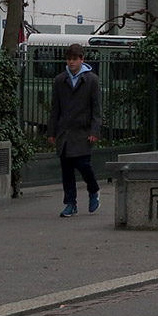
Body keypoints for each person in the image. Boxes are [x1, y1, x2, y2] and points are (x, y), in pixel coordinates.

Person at [47, 43, 102, 217]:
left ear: (81, 60)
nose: (71, 62)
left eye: (74, 59)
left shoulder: (92, 80)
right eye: (69, 59)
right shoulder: (60, 80)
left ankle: (93, 190)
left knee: (84, 165)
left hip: (83, 131)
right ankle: (71, 203)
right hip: (65, 131)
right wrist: (52, 131)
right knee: (67, 169)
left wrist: (95, 131)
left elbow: (97, 108)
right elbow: (55, 108)